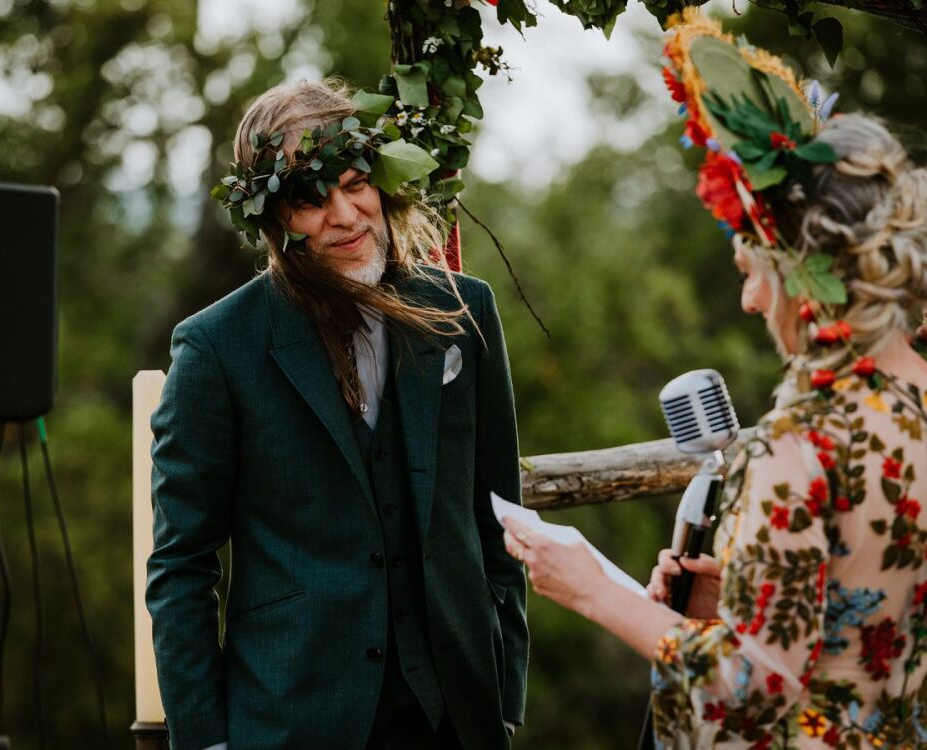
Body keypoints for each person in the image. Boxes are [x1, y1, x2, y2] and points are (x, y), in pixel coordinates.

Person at [503, 11, 927, 749]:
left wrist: (596, 593)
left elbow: (754, 685)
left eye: (751, 274)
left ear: (800, 276)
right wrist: (724, 599)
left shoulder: (795, 448)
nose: (749, 300)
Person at [146, 78, 528, 750]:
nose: (346, 215)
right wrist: (204, 739)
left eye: (355, 183)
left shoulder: (464, 311)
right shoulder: (215, 347)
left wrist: (505, 689)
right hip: (293, 717)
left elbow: (498, 513)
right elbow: (183, 564)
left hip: (457, 717)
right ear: (272, 216)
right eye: (310, 200)